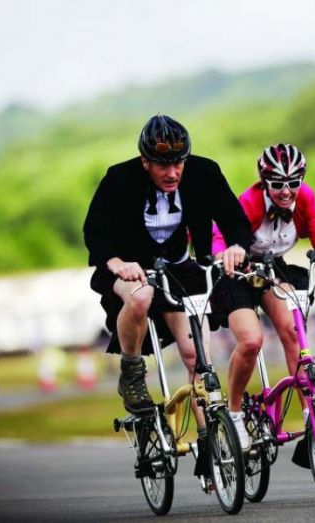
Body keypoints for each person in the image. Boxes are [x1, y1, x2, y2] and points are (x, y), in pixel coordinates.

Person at [83, 114, 251, 476]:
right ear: (145, 162)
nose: (172, 172)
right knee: (141, 297)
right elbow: (94, 231)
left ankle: (210, 439)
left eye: (178, 162)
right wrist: (115, 262)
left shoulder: (204, 173)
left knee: (196, 357)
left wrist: (236, 246)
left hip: (178, 268)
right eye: (162, 165)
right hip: (129, 269)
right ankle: (131, 373)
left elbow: (234, 218)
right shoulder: (119, 179)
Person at [212, 143, 315, 449]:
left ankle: (309, 412)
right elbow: (219, 233)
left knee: (291, 330)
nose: (286, 191)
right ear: (264, 181)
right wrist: (223, 256)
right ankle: (233, 413)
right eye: (277, 184)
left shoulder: (306, 197)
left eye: (293, 183)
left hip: (272, 269)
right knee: (251, 340)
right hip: (238, 273)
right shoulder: (249, 201)